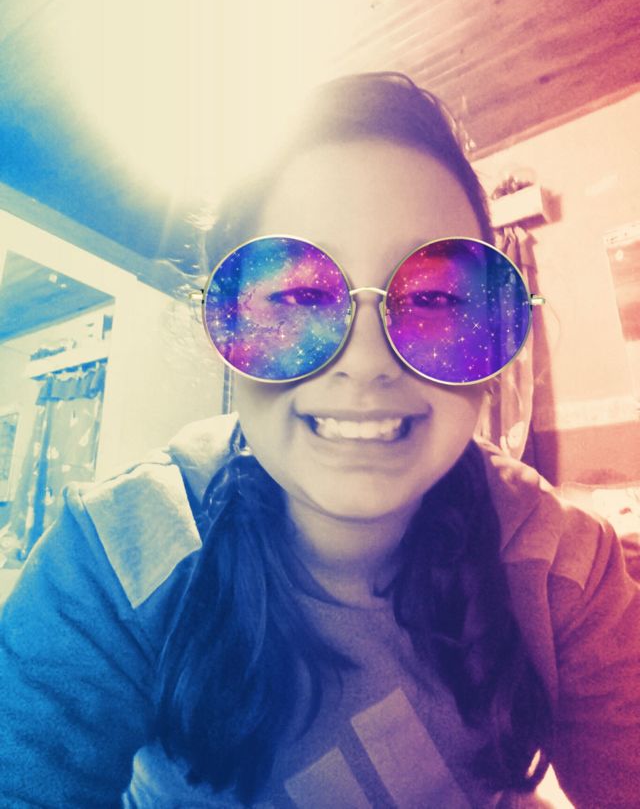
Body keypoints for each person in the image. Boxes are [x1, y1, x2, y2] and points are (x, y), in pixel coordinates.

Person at [1, 72, 639, 809]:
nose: (366, 361)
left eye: (434, 297)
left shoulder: (564, 564)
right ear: (225, 333)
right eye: (299, 294)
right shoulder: (112, 561)